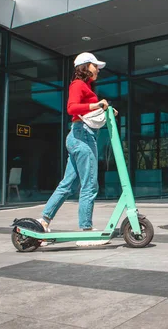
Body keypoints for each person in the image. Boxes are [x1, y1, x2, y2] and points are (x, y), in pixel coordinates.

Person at [38, 52, 116, 246]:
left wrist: (104, 110)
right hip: (82, 137)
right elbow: (72, 108)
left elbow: (86, 109)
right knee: (90, 184)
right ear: (85, 66)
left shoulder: (86, 87)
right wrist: (96, 105)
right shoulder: (78, 85)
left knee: (67, 185)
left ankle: (43, 222)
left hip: (79, 136)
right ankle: (86, 230)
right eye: (95, 66)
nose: (98, 69)